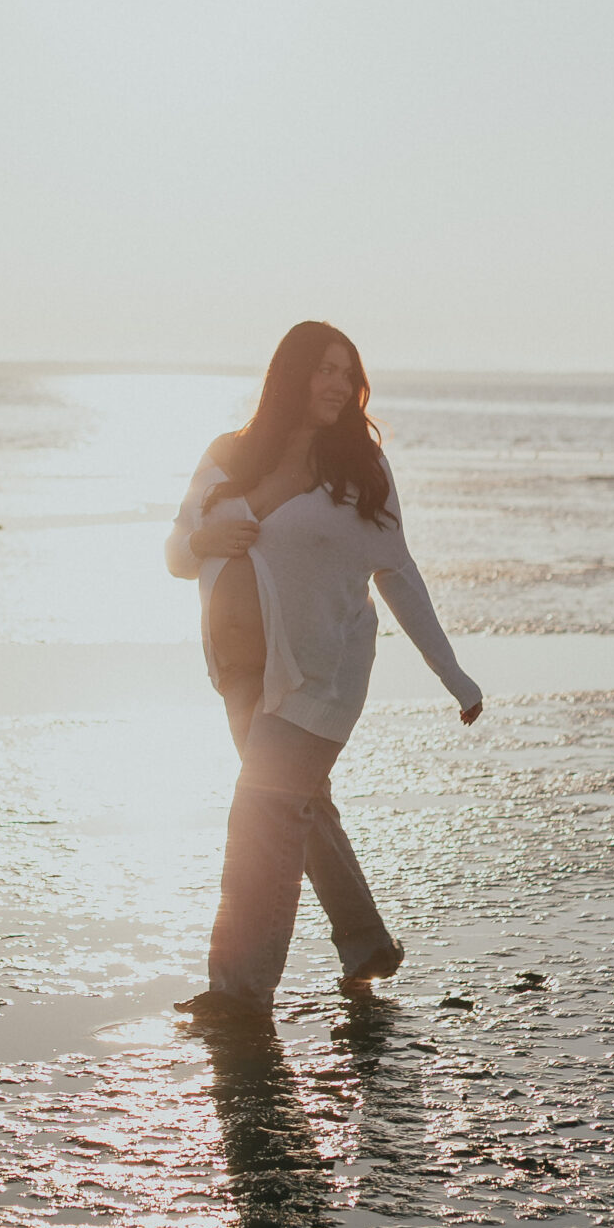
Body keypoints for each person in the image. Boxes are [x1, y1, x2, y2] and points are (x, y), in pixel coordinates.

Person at [166, 320, 482, 1023]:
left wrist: (453, 675)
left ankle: (238, 991)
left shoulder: (360, 471)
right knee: (295, 804)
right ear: (290, 376)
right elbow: (176, 553)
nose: (338, 384)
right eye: (324, 370)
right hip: (241, 669)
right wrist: (202, 537)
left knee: (263, 809)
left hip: (323, 673)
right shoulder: (227, 456)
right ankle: (368, 945)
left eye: (348, 372)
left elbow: (397, 574)